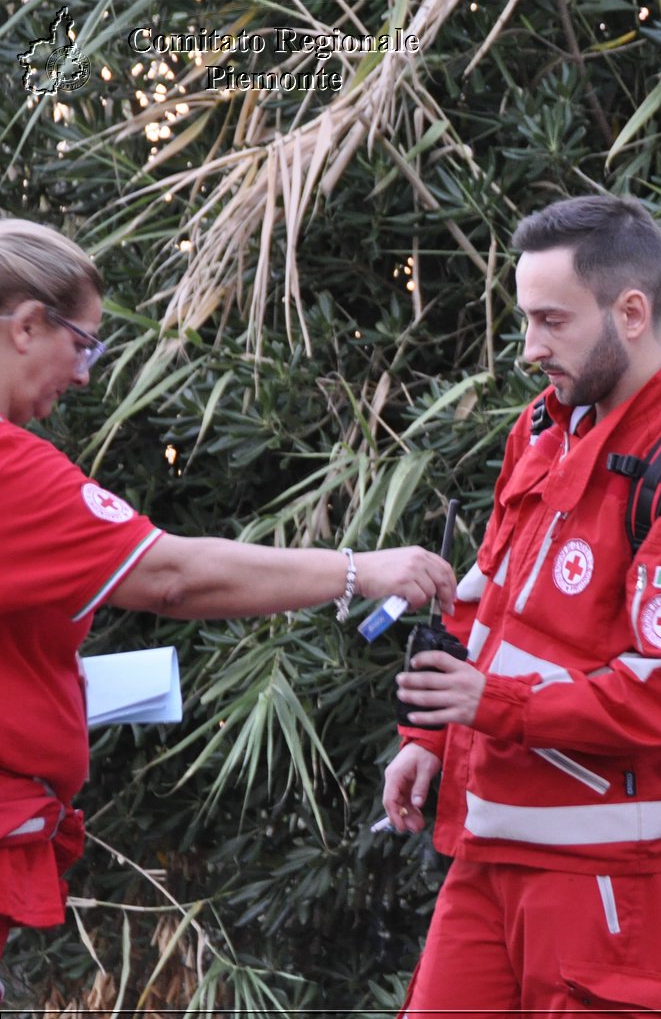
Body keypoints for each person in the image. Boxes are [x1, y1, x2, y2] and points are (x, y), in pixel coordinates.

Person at [0, 218, 456, 978]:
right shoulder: (14, 472)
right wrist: (360, 570)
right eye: (83, 344)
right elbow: (176, 575)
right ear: (25, 325)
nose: (83, 374)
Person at [380, 195, 661, 1019]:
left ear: (631, 313)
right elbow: (489, 595)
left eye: (552, 321)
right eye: (526, 319)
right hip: (491, 846)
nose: (530, 348)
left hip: (608, 879)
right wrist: (431, 738)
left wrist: (493, 705)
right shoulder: (543, 431)